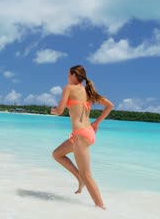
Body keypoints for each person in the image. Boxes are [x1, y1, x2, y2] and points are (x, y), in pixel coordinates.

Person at [51, 65, 113, 210]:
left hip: (80, 135)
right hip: (86, 133)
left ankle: (101, 208)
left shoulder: (69, 88)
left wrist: (53, 111)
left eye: (68, 74)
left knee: (87, 175)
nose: (67, 77)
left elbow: (60, 111)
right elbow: (110, 105)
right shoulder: (88, 91)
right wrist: (96, 124)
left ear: (74, 75)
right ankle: (79, 178)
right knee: (57, 154)